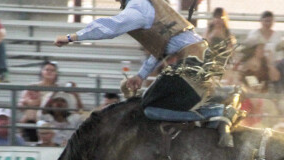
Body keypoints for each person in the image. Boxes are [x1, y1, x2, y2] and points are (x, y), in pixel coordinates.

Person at [54, 0, 235, 147]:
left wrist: (72, 37)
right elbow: (162, 48)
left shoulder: (137, 7)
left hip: (190, 64)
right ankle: (218, 100)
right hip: (199, 60)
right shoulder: (152, 6)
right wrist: (141, 76)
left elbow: (109, 27)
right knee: (154, 100)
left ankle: (214, 112)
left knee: (149, 107)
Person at [18, 61, 62, 142]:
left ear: (56, 73)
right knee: (31, 112)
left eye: (52, 70)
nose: (49, 72)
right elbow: (21, 105)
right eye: (47, 69)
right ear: (42, 72)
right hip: (30, 121)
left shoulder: (59, 89)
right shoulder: (32, 86)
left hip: (50, 121)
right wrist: (33, 102)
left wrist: (33, 103)